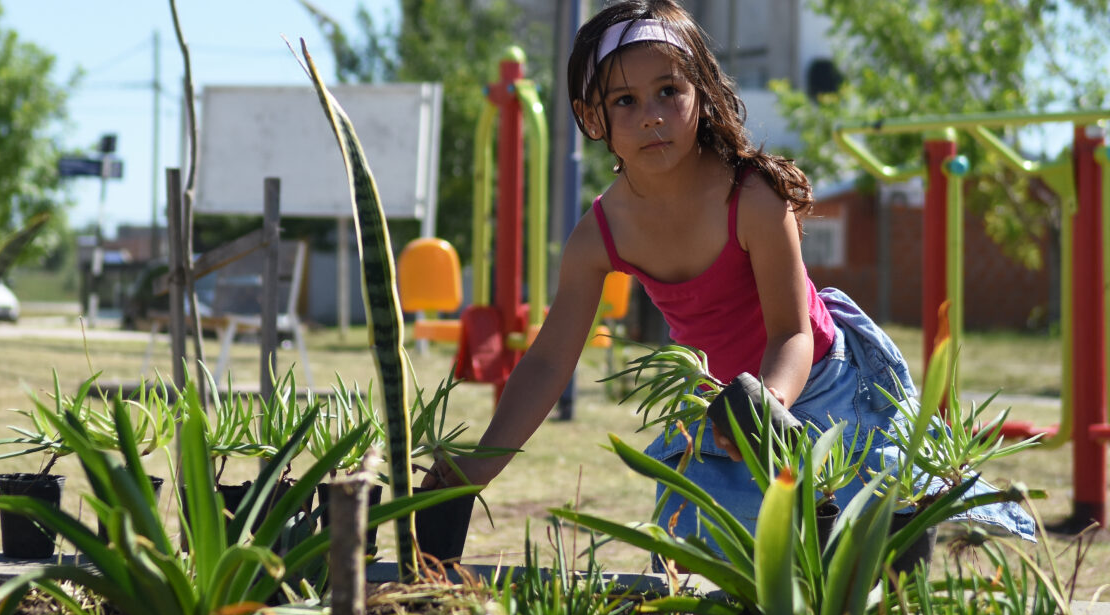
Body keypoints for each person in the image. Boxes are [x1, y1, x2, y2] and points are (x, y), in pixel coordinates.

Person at [423, 0, 1034, 550]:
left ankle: (899, 540)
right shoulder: (599, 235)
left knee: (874, 542)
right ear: (591, 117)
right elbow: (550, 362)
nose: (652, 116)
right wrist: (473, 470)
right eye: (624, 101)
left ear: (704, 94)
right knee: (738, 560)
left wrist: (764, 406)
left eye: (669, 91)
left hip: (817, 385)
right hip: (729, 406)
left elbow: (793, 335)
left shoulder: (753, 198)